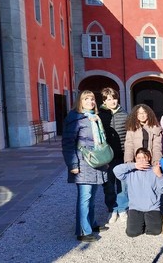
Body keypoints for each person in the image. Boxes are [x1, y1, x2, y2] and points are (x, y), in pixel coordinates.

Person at [62, 90, 109, 242]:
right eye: (86, 99)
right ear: (80, 101)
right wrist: (73, 164)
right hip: (83, 162)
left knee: (92, 196)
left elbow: (99, 140)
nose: (90, 101)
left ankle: (92, 223)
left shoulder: (95, 118)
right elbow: (68, 143)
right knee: (85, 197)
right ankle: (83, 231)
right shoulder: (75, 118)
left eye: (92, 99)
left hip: (95, 161)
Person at [113, 148, 163, 237]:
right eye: (139, 158)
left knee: (155, 231)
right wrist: (133, 165)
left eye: (144, 157)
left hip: (152, 207)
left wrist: (159, 175)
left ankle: (158, 218)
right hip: (136, 207)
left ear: (149, 158)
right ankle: (140, 220)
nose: (141, 160)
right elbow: (116, 170)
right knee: (132, 232)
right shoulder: (130, 172)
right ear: (135, 158)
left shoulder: (155, 170)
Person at [123, 104, 163, 223]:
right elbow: (129, 145)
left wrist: (156, 162)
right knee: (136, 186)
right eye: (139, 113)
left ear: (149, 114)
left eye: (144, 113)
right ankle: (136, 209)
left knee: (152, 186)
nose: (142, 115)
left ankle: (155, 209)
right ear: (136, 115)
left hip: (150, 161)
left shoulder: (155, 127)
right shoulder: (132, 128)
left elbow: (157, 147)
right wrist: (129, 163)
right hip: (137, 161)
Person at [98, 87, 128, 224]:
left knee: (122, 184)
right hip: (107, 156)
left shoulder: (125, 114)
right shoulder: (99, 115)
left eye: (114, 98)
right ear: (104, 100)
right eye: (109, 99)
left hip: (121, 154)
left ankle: (122, 208)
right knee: (108, 184)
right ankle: (112, 208)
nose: (112, 101)